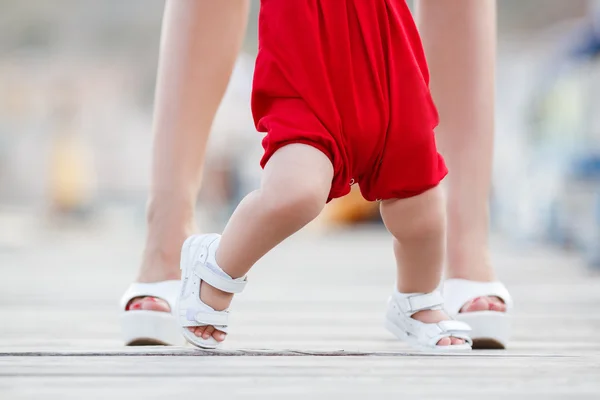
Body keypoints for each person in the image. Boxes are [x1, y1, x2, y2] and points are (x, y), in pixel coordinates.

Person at [120, 0, 512, 350]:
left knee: (423, 210)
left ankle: (418, 299)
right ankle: (210, 266)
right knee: (296, 192)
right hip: (308, 68)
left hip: (390, 70)